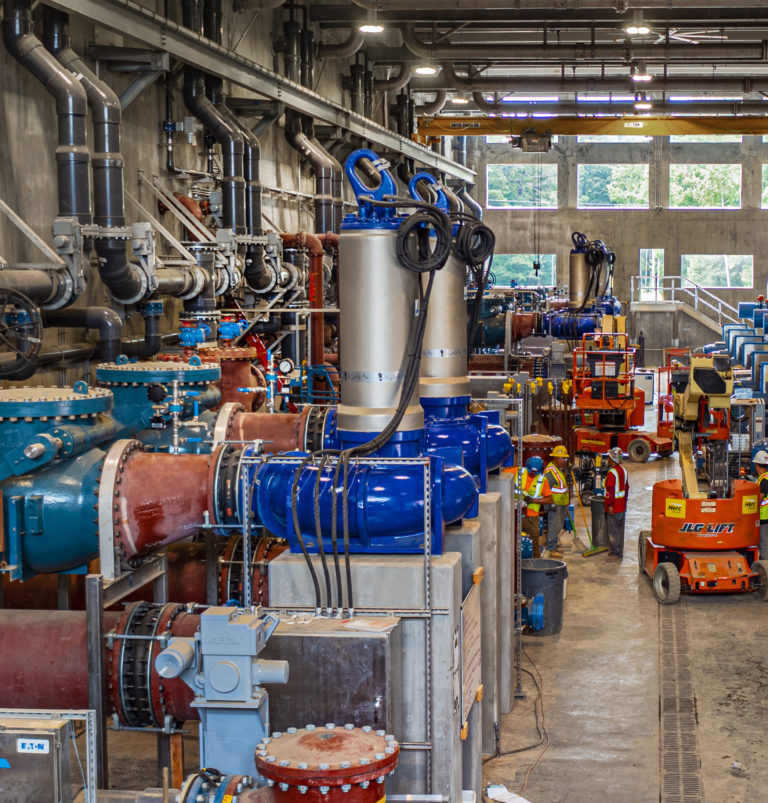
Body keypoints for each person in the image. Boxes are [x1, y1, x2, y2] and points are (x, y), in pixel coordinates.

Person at [511, 456, 553, 559]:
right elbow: (501, 479)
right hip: (514, 515)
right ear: (527, 467)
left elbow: (550, 499)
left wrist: (534, 500)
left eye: (535, 473)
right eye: (531, 472)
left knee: (534, 547)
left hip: (531, 518)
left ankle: (536, 566)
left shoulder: (542, 480)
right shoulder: (517, 472)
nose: (532, 474)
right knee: (511, 543)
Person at [544, 445, 571, 559]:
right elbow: (546, 490)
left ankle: (553, 544)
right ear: (556, 458)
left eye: (565, 459)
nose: (565, 461)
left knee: (558, 526)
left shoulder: (558, 469)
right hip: (555, 504)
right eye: (563, 458)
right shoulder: (550, 472)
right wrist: (549, 506)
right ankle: (551, 549)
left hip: (561, 503)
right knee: (554, 526)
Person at [604, 446, 629, 561]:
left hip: (614, 507)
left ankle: (616, 553)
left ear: (612, 459)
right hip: (622, 506)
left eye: (608, 457)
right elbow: (627, 487)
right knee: (620, 530)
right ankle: (619, 551)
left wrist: (610, 505)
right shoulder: (623, 471)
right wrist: (624, 502)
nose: (607, 460)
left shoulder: (611, 473)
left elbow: (611, 491)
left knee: (613, 531)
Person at [753, 450, 768, 560]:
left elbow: (760, 498)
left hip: (764, 518)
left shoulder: (763, 480)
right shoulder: (764, 478)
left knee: (764, 546)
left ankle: (765, 571)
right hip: (765, 517)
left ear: (757, 465)